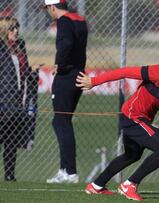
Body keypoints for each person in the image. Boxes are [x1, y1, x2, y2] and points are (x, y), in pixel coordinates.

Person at [77, 40, 159, 201]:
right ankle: (129, 185)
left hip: (141, 119)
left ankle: (96, 186)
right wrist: (93, 81)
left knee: (131, 155)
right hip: (133, 116)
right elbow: (124, 72)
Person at [43, 0, 88, 183]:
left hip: (66, 76)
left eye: (48, 9)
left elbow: (67, 43)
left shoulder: (63, 21)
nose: (48, 12)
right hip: (78, 74)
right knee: (62, 121)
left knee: (61, 122)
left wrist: (59, 64)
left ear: (52, 7)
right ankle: (65, 169)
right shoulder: (80, 19)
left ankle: (69, 172)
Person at [0, 16, 40, 181]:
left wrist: (32, 72)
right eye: (12, 28)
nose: (16, 31)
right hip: (3, 100)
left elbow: (22, 73)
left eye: (17, 27)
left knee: (11, 141)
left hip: (17, 101)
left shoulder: (20, 45)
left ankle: (10, 175)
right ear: (4, 30)